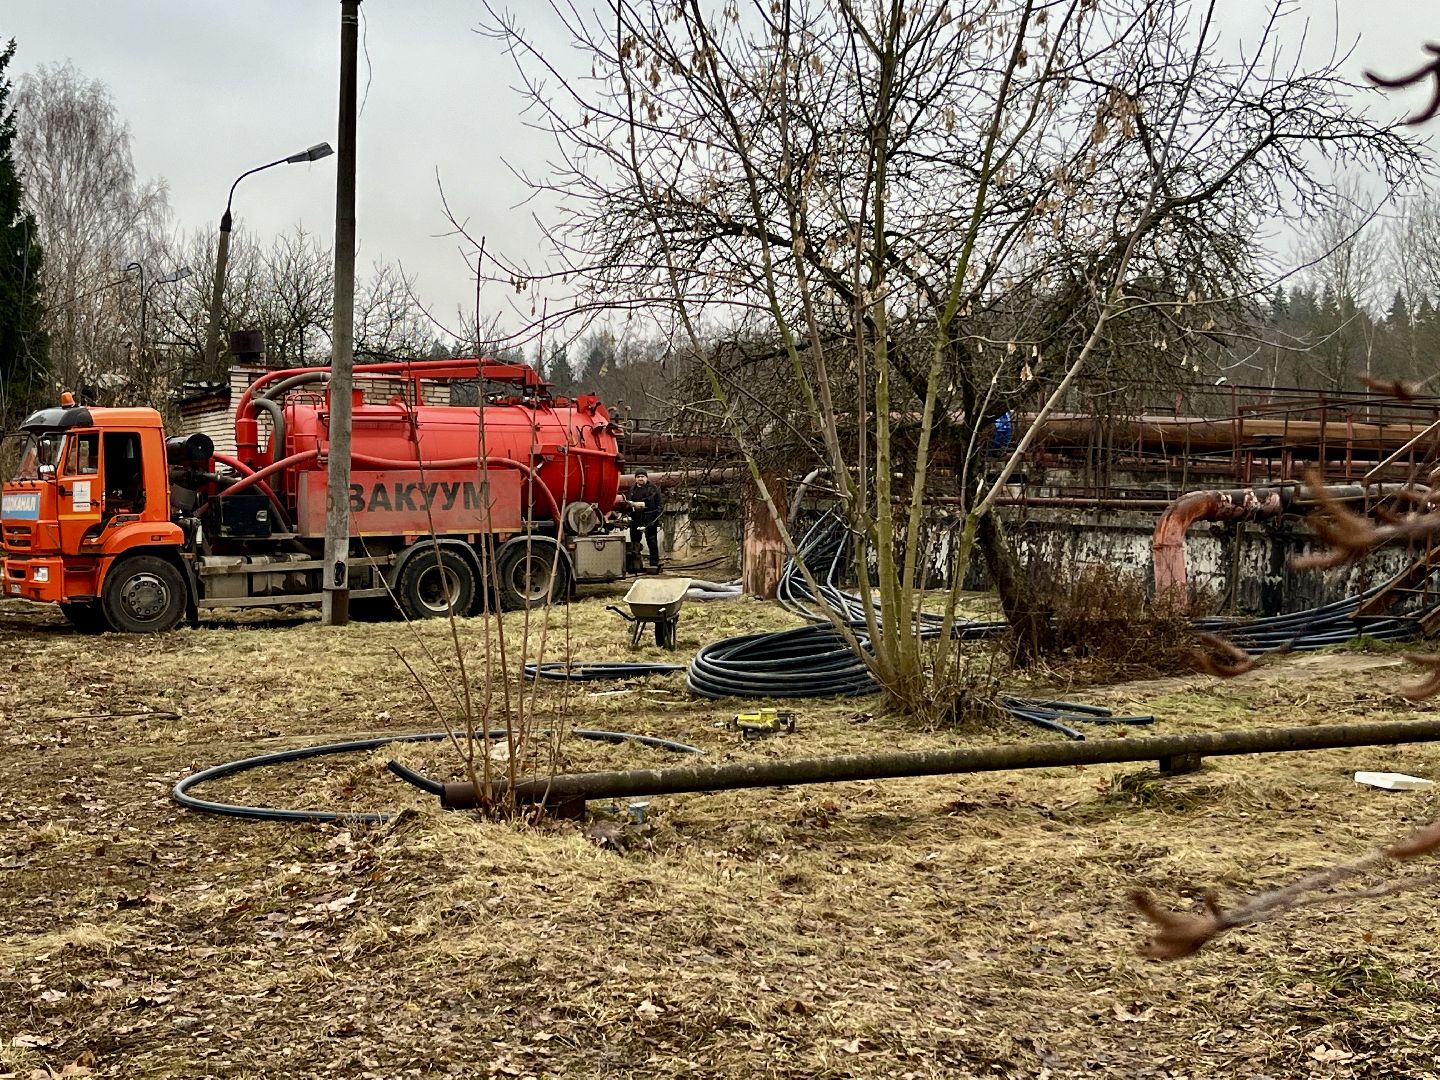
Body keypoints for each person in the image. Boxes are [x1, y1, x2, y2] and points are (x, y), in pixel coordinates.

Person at [627, 471, 664, 568]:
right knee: (635, 542)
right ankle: (635, 565)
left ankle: (654, 563)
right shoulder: (632, 489)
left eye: (642, 476)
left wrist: (657, 518)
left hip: (650, 519)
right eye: (638, 476)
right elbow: (628, 504)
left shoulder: (653, 489)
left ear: (646, 477)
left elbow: (659, 504)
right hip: (636, 519)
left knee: (652, 541)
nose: (640, 478)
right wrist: (628, 516)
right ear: (635, 478)